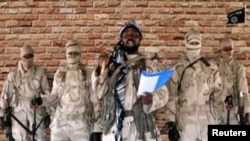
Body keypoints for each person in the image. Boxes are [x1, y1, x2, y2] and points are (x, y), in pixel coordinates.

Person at [90, 20, 169, 141]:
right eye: (126, 34)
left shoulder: (150, 66)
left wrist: (151, 99)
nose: (130, 36)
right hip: (114, 127)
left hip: (142, 128)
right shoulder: (112, 65)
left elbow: (164, 94)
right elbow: (99, 93)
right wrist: (102, 68)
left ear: (139, 39)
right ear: (121, 39)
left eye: (134, 34)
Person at [165, 28, 222, 141]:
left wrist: (221, 118)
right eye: (192, 42)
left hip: (208, 119)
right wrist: (171, 123)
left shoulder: (210, 67)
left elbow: (218, 95)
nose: (194, 45)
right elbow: (172, 96)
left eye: (197, 43)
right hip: (186, 120)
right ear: (186, 43)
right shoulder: (178, 68)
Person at [41, 39, 99, 141]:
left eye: (75, 53)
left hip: (81, 124)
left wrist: (97, 128)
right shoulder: (60, 73)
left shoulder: (89, 74)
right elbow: (54, 96)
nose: (72, 55)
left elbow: (95, 101)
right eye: (70, 53)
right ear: (66, 54)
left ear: (80, 54)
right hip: (60, 123)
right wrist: (42, 100)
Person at [0, 45, 50, 141]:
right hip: (19, 111)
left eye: (30, 56)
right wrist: (1, 114)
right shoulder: (13, 75)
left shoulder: (40, 72)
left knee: (39, 137)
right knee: (19, 137)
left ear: (33, 56)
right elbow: (5, 95)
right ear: (21, 57)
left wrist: (48, 112)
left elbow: (47, 93)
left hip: (36, 109)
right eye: (25, 56)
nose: (28, 59)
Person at [216, 38, 250, 125]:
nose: (228, 52)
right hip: (217, 111)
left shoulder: (238, 67)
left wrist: (246, 112)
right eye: (225, 49)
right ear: (221, 49)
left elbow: (243, 91)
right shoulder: (215, 66)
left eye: (230, 49)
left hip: (234, 111)